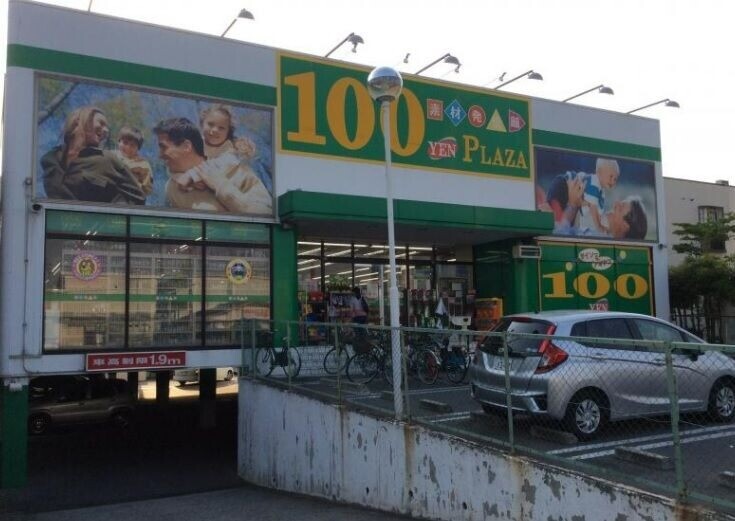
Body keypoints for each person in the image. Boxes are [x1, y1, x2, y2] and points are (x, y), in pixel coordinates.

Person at [154, 117, 272, 215]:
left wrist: (220, 184)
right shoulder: (172, 188)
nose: (159, 155)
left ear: (186, 146)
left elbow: (266, 214)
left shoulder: (237, 171)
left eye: (163, 147)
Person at [40, 106, 146, 205]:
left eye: (106, 127)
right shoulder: (50, 159)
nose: (106, 130)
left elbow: (138, 197)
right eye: (101, 123)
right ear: (78, 121)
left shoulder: (107, 160)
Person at [173, 104, 257, 192]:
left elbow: (217, 165)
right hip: (194, 186)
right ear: (202, 124)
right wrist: (183, 178)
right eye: (210, 124)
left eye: (221, 128)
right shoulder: (194, 143)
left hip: (221, 188)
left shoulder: (229, 151)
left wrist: (191, 175)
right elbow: (174, 164)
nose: (215, 130)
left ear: (228, 132)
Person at [555, 175, 648, 239]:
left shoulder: (597, 237)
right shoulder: (601, 233)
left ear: (625, 226)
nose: (615, 203)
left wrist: (573, 204)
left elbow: (558, 234)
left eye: (620, 208)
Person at [546, 158, 620, 234]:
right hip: (564, 184)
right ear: (599, 172)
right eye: (611, 176)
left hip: (568, 192)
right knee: (555, 219)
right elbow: (593, 208)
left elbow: (596, 211)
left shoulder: (601, 191)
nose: (613, 181)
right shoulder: (595, 183)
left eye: (615, 179)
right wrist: (599, 226)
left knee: (563, 222)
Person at [114, 125, 153, 196]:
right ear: (119, 142)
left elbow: (147, 188)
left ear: (138, 148)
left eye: (132, 145)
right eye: (125, 142)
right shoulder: (112, 156)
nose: (128, 147)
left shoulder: (143, 164)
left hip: (131, 194)